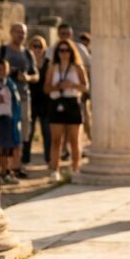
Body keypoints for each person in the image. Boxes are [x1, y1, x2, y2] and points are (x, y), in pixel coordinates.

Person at [0, 22, 39, 176]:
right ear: (11, 32)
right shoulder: (1, 51)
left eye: (23, 32)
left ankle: (17, 165)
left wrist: (26, 77)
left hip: (23, 97)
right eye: (18, 32)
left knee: (21, 133)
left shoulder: (28, 54)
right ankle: (5, 168)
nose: (20, 35)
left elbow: (36, 76)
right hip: (4, 99)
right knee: (5, 132)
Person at [44, 39, 88, 181]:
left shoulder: (78, 67)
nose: (64, 53)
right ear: (57, 52)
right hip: (56, 102)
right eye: (61, 50)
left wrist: (72, 85)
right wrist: (57, 86)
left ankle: (76, 168)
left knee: (74, 140)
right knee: (56, 140)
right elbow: (46, 88)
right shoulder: (53, 67)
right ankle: (55, 170)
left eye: (67, 50)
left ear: (71, 52)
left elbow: (85, 87)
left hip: (72, 102)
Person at [58, 23, 93, 140]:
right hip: (58, 96)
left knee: (80, 124)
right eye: (63, 34)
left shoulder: (80, 49)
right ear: (58, 34)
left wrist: (78, 83)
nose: (65, 36)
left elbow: (89, 68)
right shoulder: (53, 50)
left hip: (77, 94)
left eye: (68, 34)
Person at [0, 59, 23, 185]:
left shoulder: (10, 84)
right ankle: (0, 172)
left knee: (8, 148)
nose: (2, 72)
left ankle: (7, 171)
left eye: (4, 69)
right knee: (0, 148)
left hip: (9, 118)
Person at [28, 35, 53, 165]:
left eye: (40, 46)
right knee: (29, 131)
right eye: (34, 46)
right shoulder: (27, 61)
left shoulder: (49, 62)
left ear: (44, 48)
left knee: (46, 131)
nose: (37, 49)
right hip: (30, 99)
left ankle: (48, 158)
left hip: (45, 100)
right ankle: (25, 159)